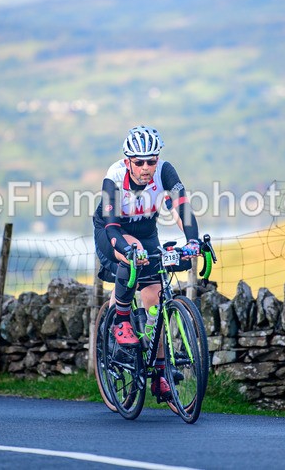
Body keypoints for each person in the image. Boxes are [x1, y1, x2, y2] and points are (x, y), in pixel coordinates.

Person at [92, 125, 201, 401]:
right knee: (134, 254)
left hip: (146, 230)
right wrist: (128, 250)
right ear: (128, 161)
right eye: (138, 162)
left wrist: (193, 242)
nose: (145, 167)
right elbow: (113, 228)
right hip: (112, 230)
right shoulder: (114, 176)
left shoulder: (165, 172)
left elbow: (182, 210)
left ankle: (161, 373)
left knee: (156, 300)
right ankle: (123, 319)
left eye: (150, 161)